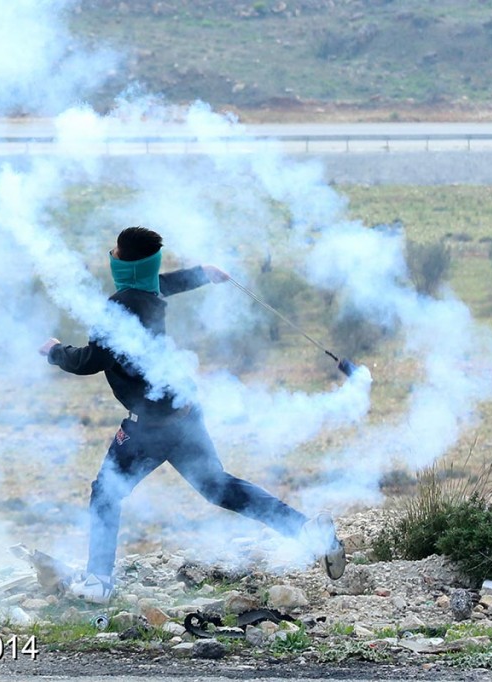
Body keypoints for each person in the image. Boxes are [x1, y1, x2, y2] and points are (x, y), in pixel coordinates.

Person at [38, 226, 345, 604]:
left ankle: (98, 582)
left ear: (127, 264)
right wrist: (202, 273)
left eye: (115, 251)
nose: (111, 254)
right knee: (218, 486)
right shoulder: (146, 294)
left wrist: (54, 350)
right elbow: (159, 284)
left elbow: (88, 361)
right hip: (184, 413)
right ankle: (309, 533)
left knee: (105, 494)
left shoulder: (117, 306)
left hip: (148, 428)